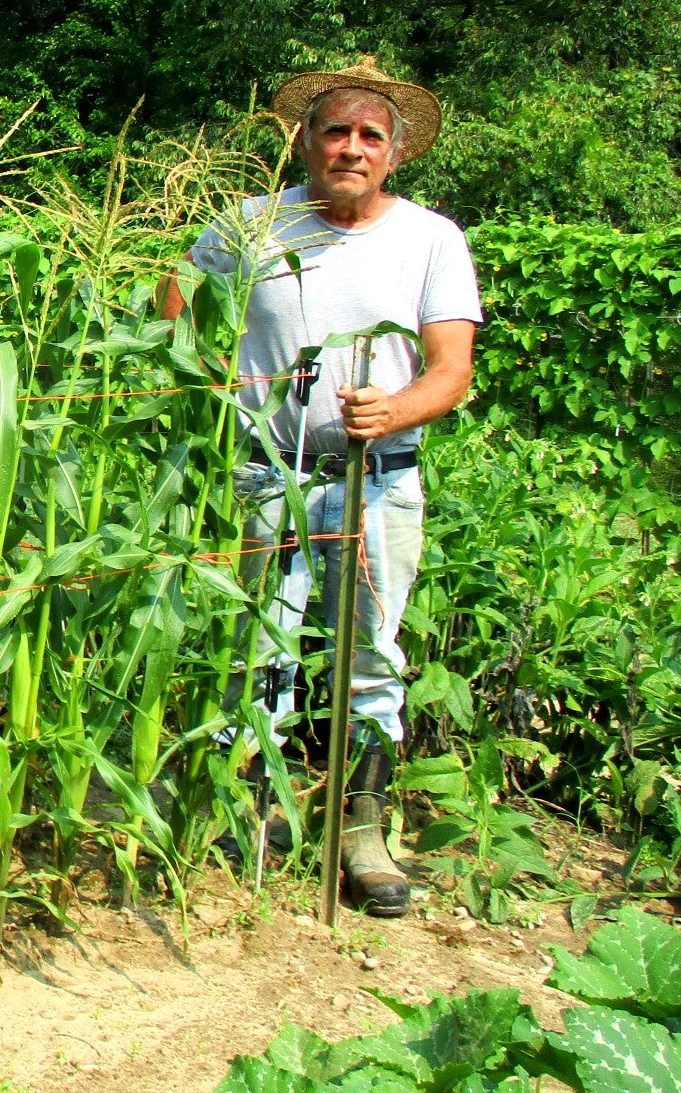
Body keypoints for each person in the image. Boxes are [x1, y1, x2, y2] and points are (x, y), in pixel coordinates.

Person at [161, 57, 482, 916]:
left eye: (369, 136)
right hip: (266, 475)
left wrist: (397, 407)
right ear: (304, 140)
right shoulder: (250, 224)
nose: (350, 148)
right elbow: (173, 312)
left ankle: (362, 832)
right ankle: (248, 810)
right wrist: (198, 373)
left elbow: (452, 369)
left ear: (395, 154)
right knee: (256, 646)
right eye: (334, 131)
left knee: (371, 656)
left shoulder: (431, 239)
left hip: (379, 481)